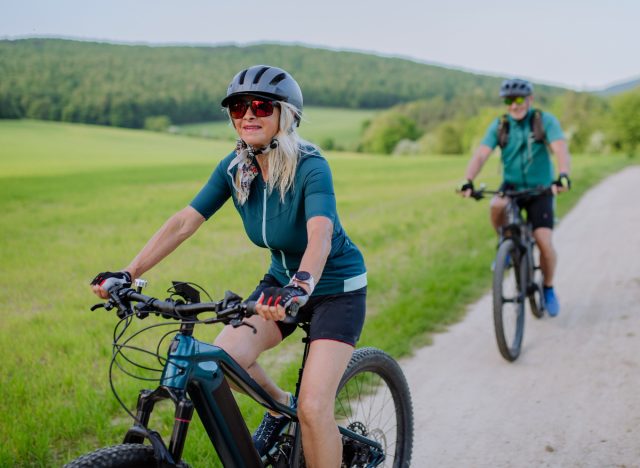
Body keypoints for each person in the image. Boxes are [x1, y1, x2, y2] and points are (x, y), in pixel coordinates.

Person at [90, 65, 367, 466]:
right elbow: (185, 222)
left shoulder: (311, 165)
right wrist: (128, 273)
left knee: (312, 408)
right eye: (238, 108)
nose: (248, 114)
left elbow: (320, 234)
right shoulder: (235, 168)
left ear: (285, 116)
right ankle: (277, 408)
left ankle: (305, 423)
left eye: (261, 106)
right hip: (281, 283)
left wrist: (302, 284)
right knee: (224, 359)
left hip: (335, 288)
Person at [459, 78, 571, 316]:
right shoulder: (501, 125)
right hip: (511, 186)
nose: (514, 105)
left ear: (530, 99)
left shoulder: (543, 121)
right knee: (497, 204)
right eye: (509, 100)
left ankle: (548, 288)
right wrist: (468, 179)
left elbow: (560, 148)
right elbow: (481, 155)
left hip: (540, 189)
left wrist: (563, 175)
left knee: (544, 242)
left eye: (519, 99)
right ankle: (506, 246)